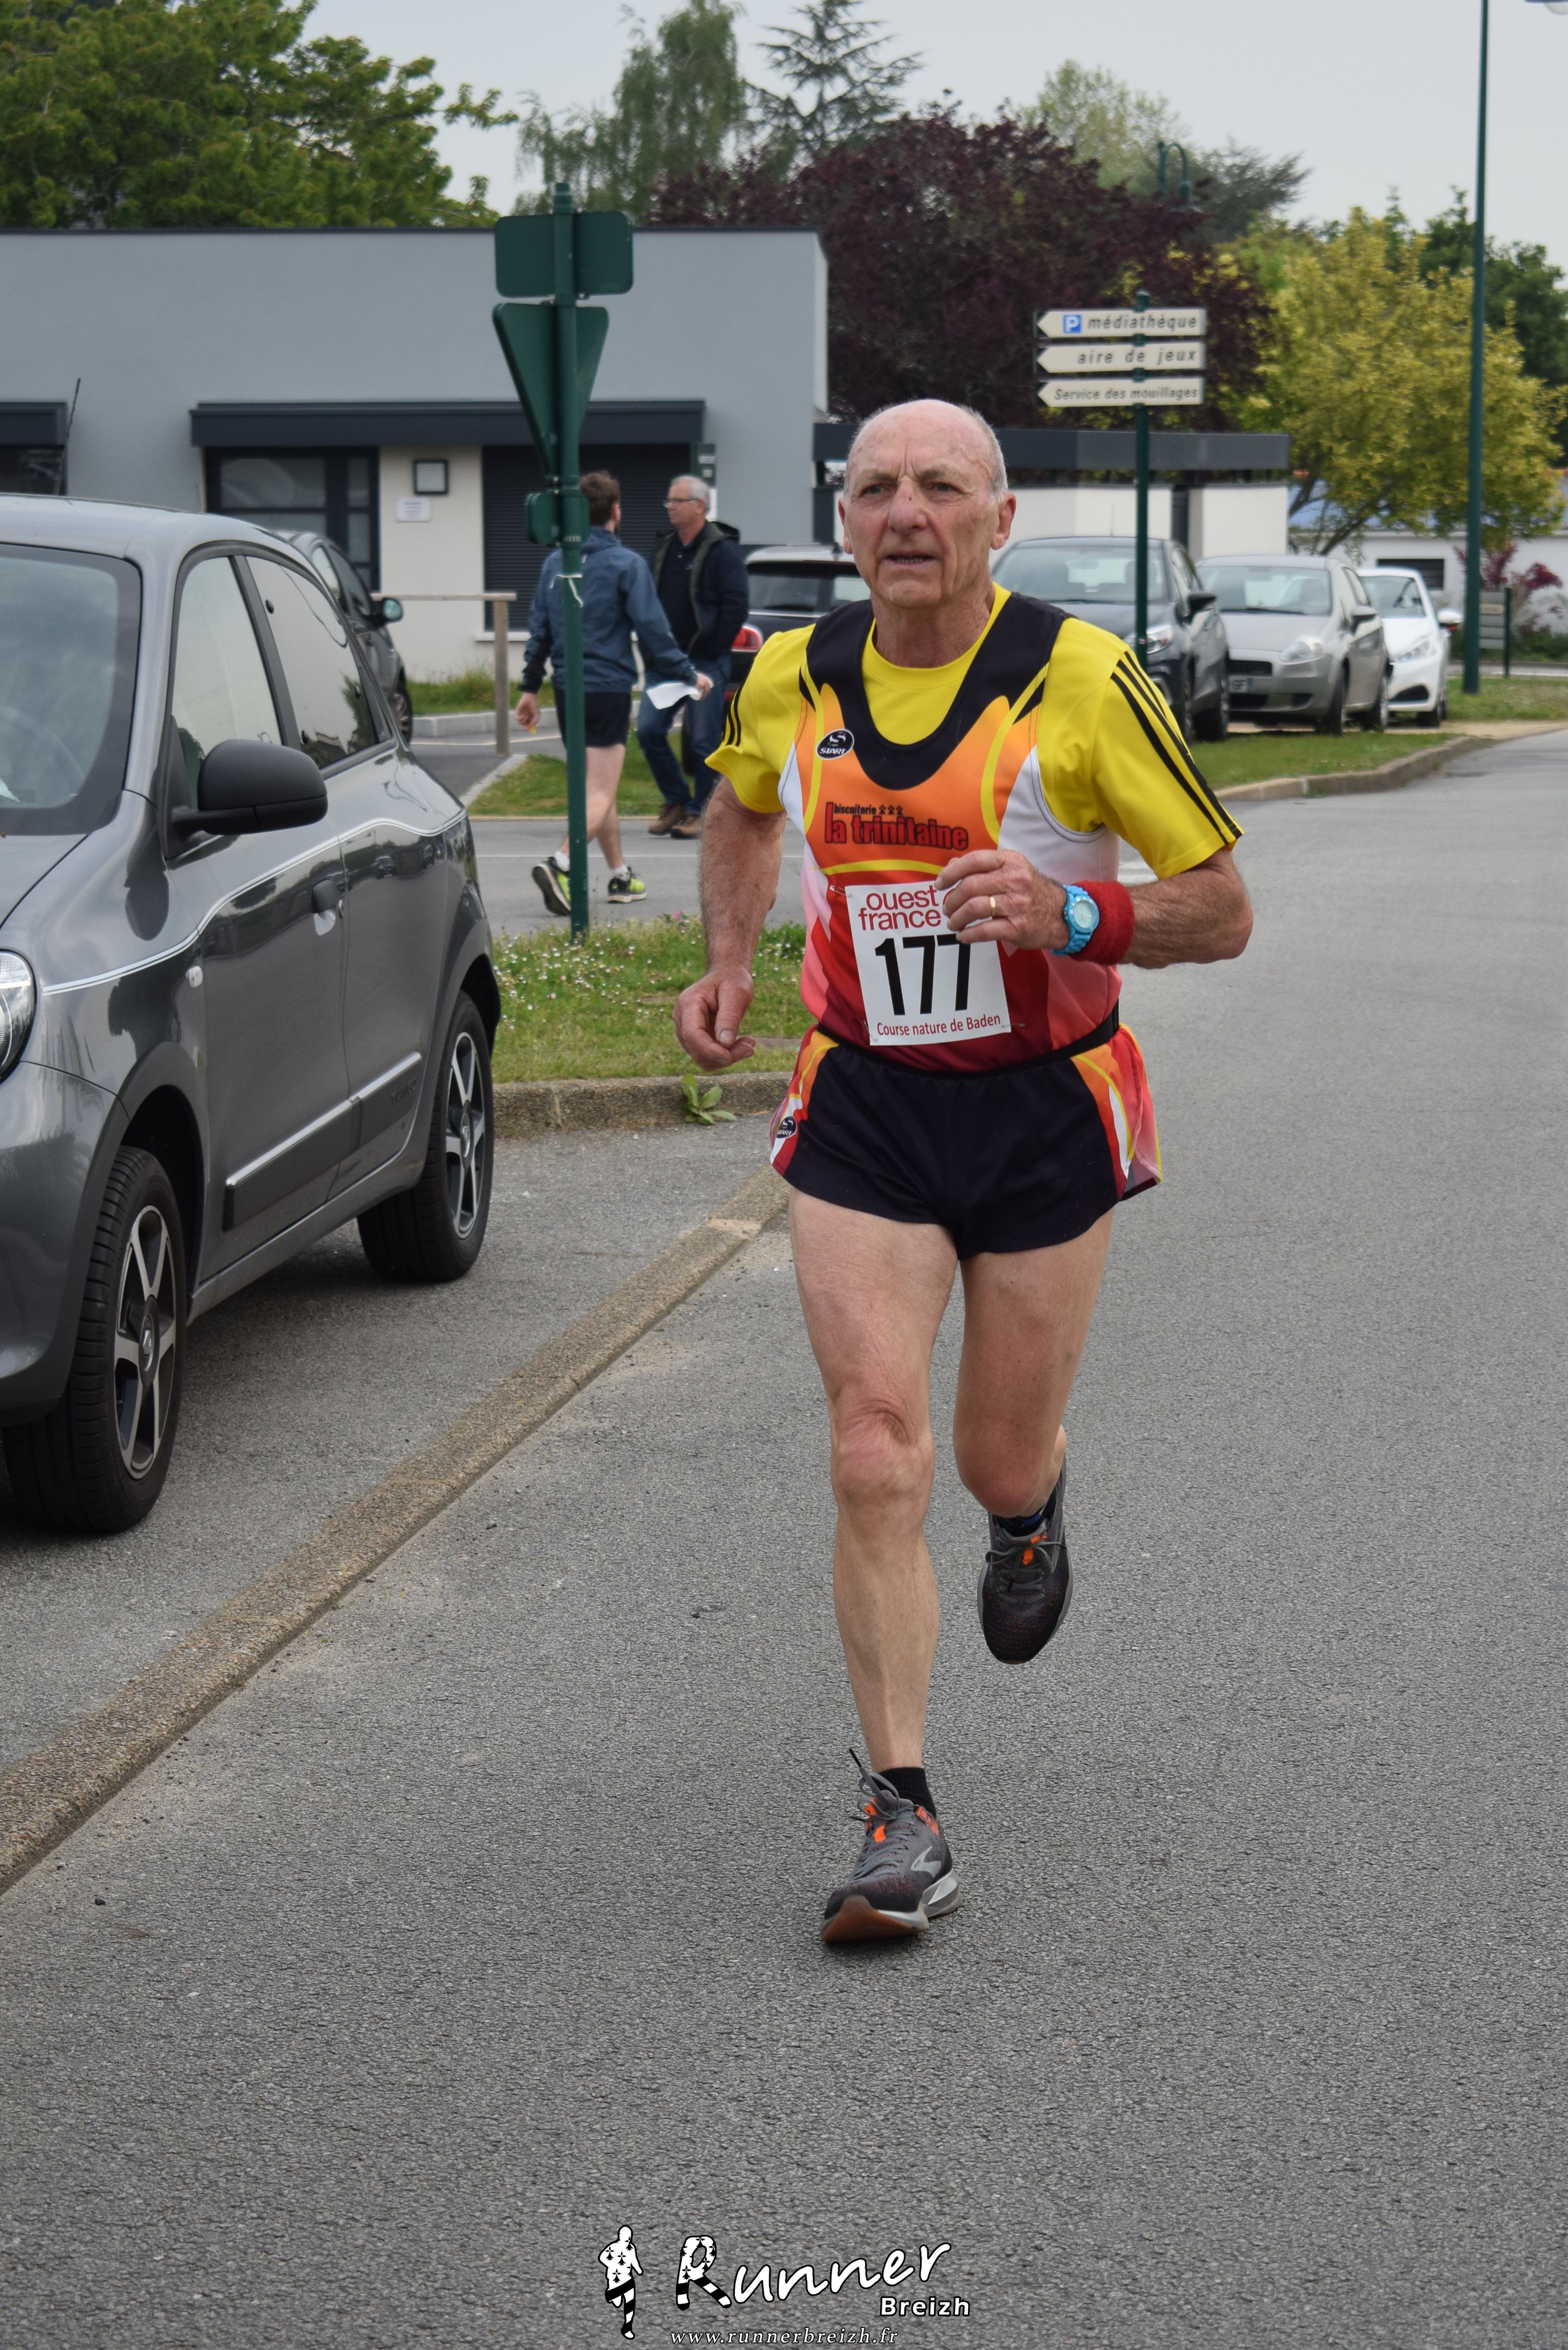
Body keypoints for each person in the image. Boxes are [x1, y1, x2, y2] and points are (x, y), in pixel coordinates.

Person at [677, 399, 1252, 1944]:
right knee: (875, 1447)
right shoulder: (793, 675)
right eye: (876, 488)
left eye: (942, 486)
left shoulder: (1082, 681)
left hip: (1042, 1105)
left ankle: (1031, 1502)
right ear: (843, 520)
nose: (906, 512)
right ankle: (901, 1810)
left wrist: (1076, 917)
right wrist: (727, 958)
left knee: (993, 1455)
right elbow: (739, 809)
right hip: (866, 1100)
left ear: (1000, 519)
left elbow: (1221, 904)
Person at [517, 471, 711, 917]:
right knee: (601, 792)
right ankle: (559, 863)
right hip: (607, 689)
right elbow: (654, 629)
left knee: (595, 790)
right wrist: (688, 674)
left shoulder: (555, 564)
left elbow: (539, 631)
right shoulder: (627, 564)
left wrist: (529, 688)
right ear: (616, 512)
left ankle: (620, 875)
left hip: (566, 689)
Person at [639, 475, 750, 841]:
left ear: (700, 506)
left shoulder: (722, 551)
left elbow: (736, 606)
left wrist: (714, 648)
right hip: (666, 663)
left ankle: (700, 810)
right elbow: (648, 600)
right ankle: (676, 800)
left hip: (705, 662)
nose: (670, 507)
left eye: (677, 501)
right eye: (669, 501)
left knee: (704, 741)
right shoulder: (665, 548)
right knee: (649, 731)